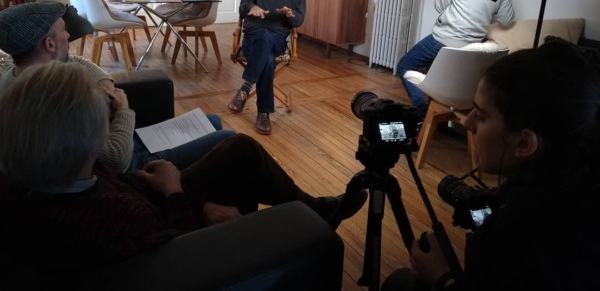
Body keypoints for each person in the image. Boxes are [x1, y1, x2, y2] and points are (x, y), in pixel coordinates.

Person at [0, 61, 368, 275]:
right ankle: (307, 218)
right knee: (238, 167)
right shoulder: (116, 217)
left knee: (239, 149)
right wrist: (178, 194)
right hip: (170, 218)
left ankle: (314, 207)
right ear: (89, 139)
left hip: (149, 194)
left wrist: (182, 191)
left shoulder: (39, 178)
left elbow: (115, 186)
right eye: (104, 119)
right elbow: (182, 255)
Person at [382, 40, 600, 290]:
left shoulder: (508, 235)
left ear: (524, 143)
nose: (467, 122)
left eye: (482, 115)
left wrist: (443, 277)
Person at [0, 1, 236, 173]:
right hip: (129, 160)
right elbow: (117, 161)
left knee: (213, 121)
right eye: (63, 30)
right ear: (50, 44)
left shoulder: (20, 71)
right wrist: (123, 109)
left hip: (119, 139)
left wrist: (104, 82)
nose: (69, 34)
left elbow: (75, 60)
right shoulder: (50, 100)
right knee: (229, 138)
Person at [396, 0, 514, 119]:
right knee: (435, 77)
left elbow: (440, 6)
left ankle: (422, 111)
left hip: (443, 40)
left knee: (404, 65)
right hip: (472, 46)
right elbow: (506, 19)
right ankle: (434, 115)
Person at [228, 0, 306, 135]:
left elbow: (299, 21)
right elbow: (242, 7)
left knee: (267, 39)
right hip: (252, 39)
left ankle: (246, 86)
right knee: (268, 60)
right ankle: (264, 113)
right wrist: (252, 7)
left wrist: (290, 15)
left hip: (277, 41)